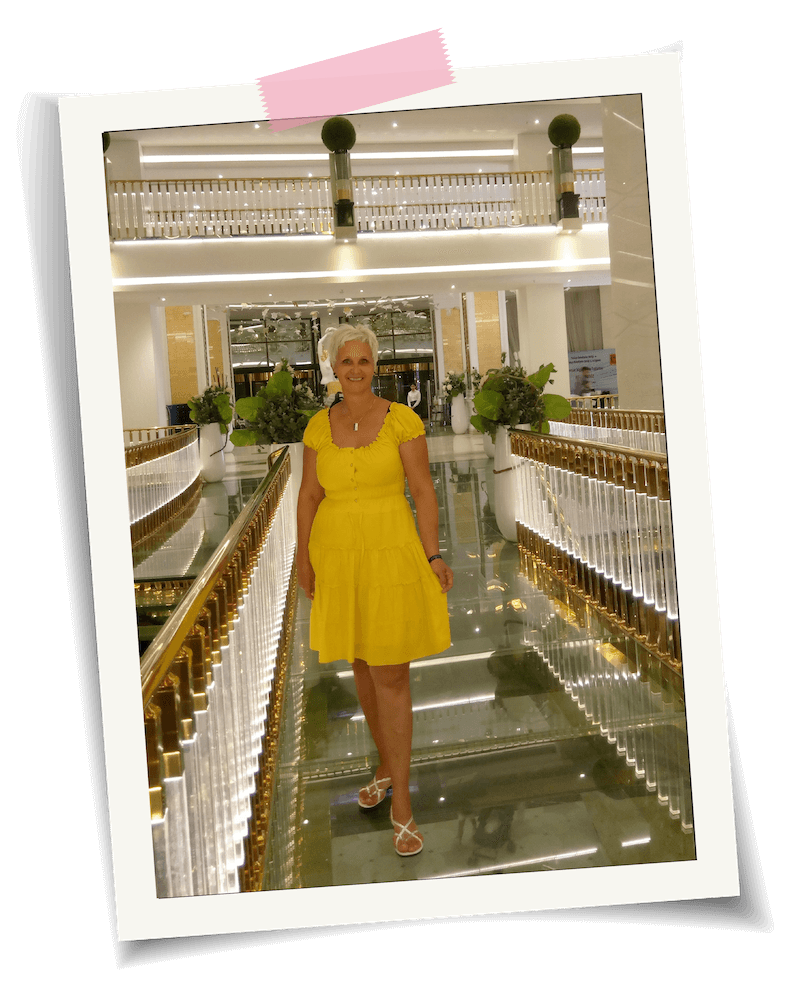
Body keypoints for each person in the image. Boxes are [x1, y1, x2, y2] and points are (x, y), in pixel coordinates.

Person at [296, 326, 453, 858]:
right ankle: (385, 766)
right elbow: (309, 495)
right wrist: (303, 558)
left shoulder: (401, 420)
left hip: (391, 552)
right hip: (337, 556)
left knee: (390, 673)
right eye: (347, 361)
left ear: (375, 365)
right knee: (362, 664)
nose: (356, 369)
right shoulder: (318, 426)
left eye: (364, 360)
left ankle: (402, 803)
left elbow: (423, 491)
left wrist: (433, 554)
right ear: (333, 368)